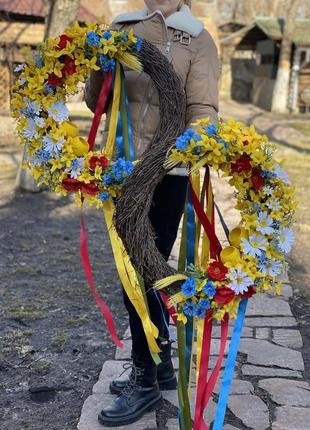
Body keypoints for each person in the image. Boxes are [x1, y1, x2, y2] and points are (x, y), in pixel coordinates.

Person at [84, 0, 220, 426]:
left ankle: (145, 378)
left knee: (146, 269)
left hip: (167, 173)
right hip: (122, 167)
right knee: (132, 269)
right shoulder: (122, 27)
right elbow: (96, 102)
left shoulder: (197, 39)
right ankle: (157, 367)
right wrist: (98, 66)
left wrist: (186, 145)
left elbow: (203, 111)